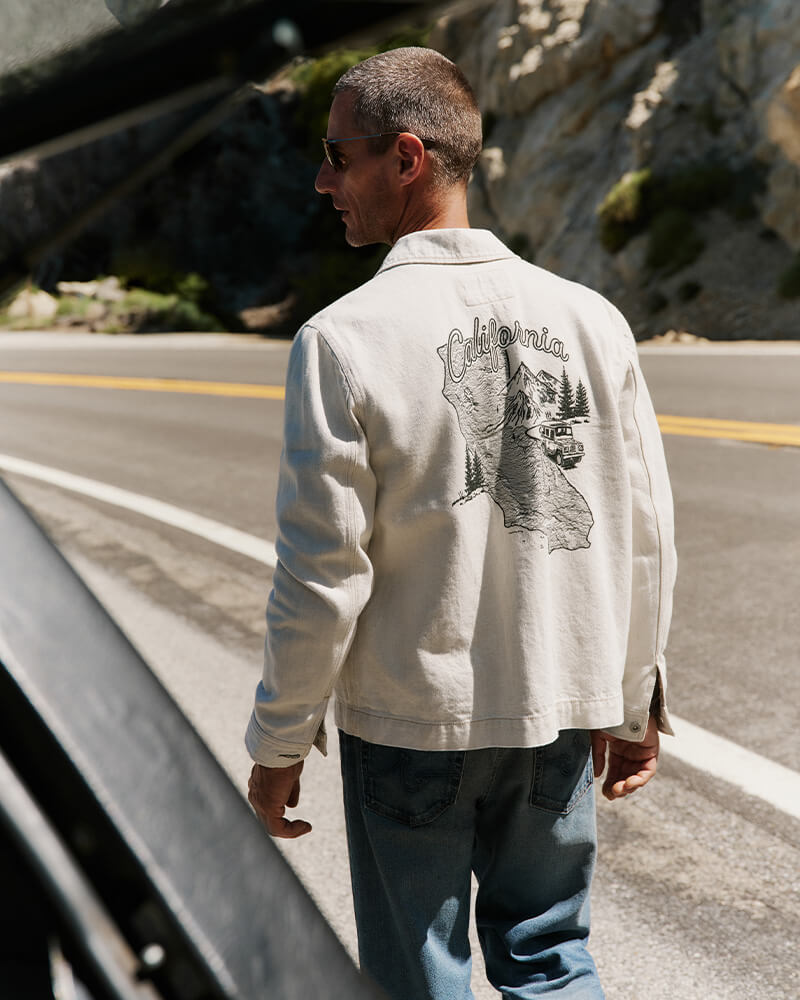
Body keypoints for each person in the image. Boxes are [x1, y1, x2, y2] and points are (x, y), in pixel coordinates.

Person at [246, 46, 676, 1000]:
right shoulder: (592, 320)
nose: (323, 182)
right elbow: (644, 530)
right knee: (552, 960)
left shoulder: (344, 339)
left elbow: (322, 575)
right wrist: (636, 693)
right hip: (556, 709)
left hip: (411, 722)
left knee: (419, 980)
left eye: (337, 155)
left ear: (405, 158)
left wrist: (279, 743)